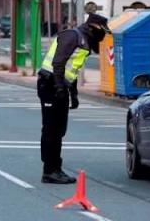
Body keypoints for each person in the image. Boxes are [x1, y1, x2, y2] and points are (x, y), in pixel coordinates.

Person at [37, 10, 111, 184]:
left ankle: (56, 168)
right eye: (101, 32)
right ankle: (49, 170)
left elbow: (72, 69)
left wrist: (73, 93)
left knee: (59, 130)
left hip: (59, 86)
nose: (102, 37)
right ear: (94, 28)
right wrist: (59, 87)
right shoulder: (72, 36)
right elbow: (58, 62)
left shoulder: (83, 41)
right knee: (51, 130)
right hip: (50, 86)